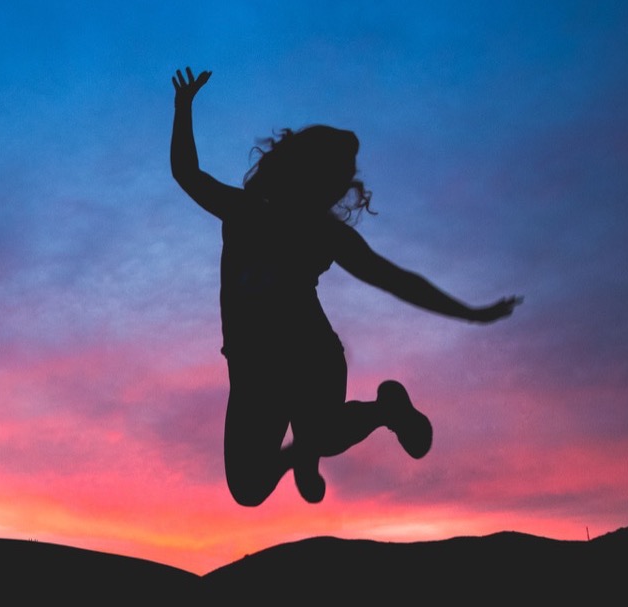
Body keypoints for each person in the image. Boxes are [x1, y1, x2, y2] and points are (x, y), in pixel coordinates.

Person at [170, 67, 521, 506]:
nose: (338, 191)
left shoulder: (323, 233)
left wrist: (470, 312)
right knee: (248, 487)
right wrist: (183, 107)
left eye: (340, 182)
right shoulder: (245, 210)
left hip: (308, 353)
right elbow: (186, 173)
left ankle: (377, 414)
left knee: (323, 431)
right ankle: (305, 452)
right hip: (251, 365)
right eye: (335, 180)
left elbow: (394, 279)